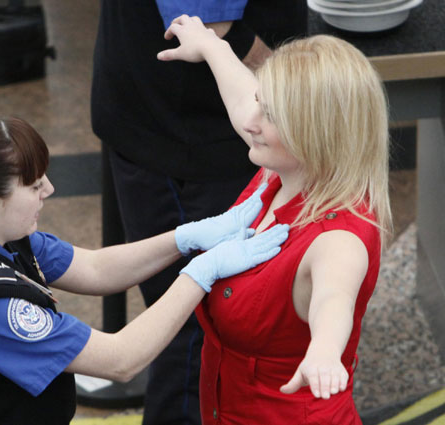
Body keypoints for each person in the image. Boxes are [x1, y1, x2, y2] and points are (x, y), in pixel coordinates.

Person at [0, 112, 288, 425]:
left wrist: (185, 237)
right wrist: (203, 272)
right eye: (32, 186)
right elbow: (121, 359)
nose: (48, 189)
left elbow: (96, 268)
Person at [157, 16, 392, 424]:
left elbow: (333, 298)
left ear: (316, 133)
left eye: (270, 116)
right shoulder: (284, 168)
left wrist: (323, 349)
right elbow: (242, 99)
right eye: (261, 104)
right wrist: (211, 46)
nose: (251, 123)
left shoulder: (338, 238)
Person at [91, 1, 307, 423]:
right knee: (193, 332)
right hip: (189, 136)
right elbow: (212, 23)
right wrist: (299, 95)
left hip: (197, 126)